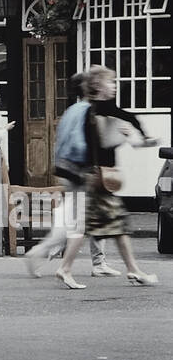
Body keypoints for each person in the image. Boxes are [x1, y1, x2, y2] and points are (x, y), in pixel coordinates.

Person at [54, 65, 158, 288]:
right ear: (99, 86)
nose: (115, 86)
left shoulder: (91, 110)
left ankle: (133, 270)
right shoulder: (98, 111)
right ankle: (66, 268)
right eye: (111, 82)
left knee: (113, 226)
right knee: (92, 226)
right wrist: (131, 136)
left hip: (95, 177)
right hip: (98, 178)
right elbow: (103, 144)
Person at [24, 72, 117, 277]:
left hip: (65, 169)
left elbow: (61, 140)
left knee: (85, 216)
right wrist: (88, 167)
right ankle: (44, 252)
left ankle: (97, 261)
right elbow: (79, 142)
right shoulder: (87, 110)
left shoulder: (70, 110)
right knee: (78, 221)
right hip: (80, 169)